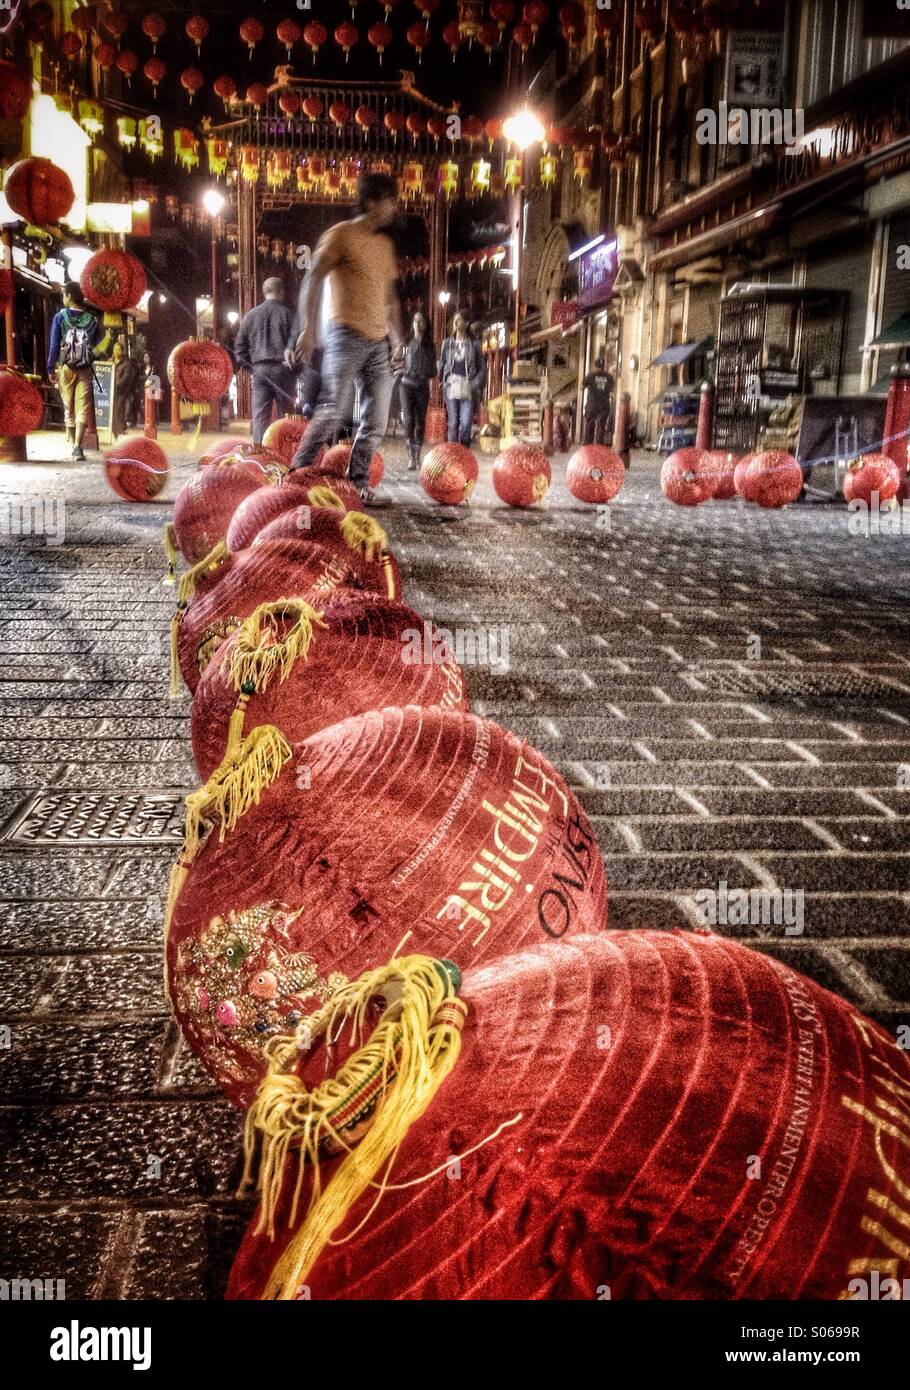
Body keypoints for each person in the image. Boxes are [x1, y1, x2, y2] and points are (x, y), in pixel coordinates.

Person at [287, 170, 403, 505]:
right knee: (333, 411)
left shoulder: (384, 246)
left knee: (377, 418)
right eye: (390, 201)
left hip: (378, 344)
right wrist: (308, 328)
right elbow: (313, 278)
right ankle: (298, 474)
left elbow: (389, 299)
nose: (394, 208)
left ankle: (359, 482)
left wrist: (398, 342)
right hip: (344, 335)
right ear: (370, 201)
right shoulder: (341, 235)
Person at [234, 277, 298, 446]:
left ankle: (259, 455)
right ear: (282, 292)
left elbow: (239, 350)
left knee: (260, 418)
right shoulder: (290, 314)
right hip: (284, 370)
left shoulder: (251, 315)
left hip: (260, 370)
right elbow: (299, 345)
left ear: (265, 292)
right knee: (286, 418)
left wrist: (252, 368)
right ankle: (285, 455)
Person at [47, 280, 105, 460]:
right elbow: (98, 349)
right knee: (82, 407)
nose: (63, 298)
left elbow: (54, 345)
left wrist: (51, 367)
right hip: (85, 369)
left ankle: (72, 442)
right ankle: (77, 447)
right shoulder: (91, 320)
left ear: (70, 296)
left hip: (66, 367)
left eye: (64, 294)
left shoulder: (60, 317)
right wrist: (88, 358)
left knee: (68, 405)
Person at [397, 310, 437, 469]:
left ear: (426, 324)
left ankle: (417, 455)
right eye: (415, 320)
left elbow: (434, 370)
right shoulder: (407, 343)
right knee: (409, 420)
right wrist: (402, 368)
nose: (417, 323)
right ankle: (410, 457)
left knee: (420, 422)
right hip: (406, 385)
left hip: (422, 386)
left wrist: (426, 371)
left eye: (420, 320)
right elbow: (398, 360)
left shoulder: (430, 346)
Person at [438, 310, 485, 447]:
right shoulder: (447, 343)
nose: (455, 323)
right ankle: (453, 453)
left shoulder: (474, 344)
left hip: (467, 386)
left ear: (466, 323)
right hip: (451, 384)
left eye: (459, 320)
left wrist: (475, 383)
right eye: (455, 320)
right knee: (453, 422)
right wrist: (443, 380)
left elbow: (482, 367)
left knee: (465, 423)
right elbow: (442, 363)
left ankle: (464, 453)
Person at [582, 356, 614, 445]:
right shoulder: (609, 377)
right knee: (601, 426)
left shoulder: (591, 375)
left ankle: (588, 447)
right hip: (604, 405)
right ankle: (599, 447)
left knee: (589, 426)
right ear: (604, 366)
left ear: (595, 365)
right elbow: (612, 390)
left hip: (592, 405)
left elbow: (582, 387)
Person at [109, 341, 137, 437]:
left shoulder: (126, 363)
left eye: (119, 350)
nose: (117, 352)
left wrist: (116, 385)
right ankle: (120, 427)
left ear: (122, 351)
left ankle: (120, 428)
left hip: (121, 390)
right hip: (110, 389)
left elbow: (126, 377)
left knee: (119, 408)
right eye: (115, 349)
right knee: (112, 409)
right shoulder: (110, 361)